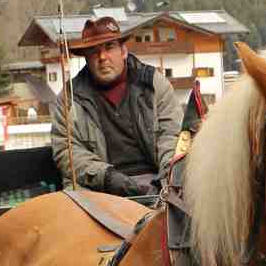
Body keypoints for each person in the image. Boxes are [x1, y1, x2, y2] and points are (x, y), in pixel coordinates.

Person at [50, 16, 179, 197]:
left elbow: (172, 136)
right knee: (75, 208)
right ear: (86, 58)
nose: (102, 57)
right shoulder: (70, 97)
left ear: (123, 51)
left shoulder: (154, 84)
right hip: (99, 188)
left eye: (109, 47)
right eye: (94, 51)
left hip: (157, 181)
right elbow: (67, 152)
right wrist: (109, 178)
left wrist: (168, 180)